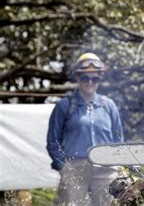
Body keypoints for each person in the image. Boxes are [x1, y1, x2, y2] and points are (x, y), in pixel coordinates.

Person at [47, 52, 124, 205]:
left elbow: (118, 139)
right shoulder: (65, 105)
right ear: (78, 78)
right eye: (85, 78)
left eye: (94, 78)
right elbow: (52, 141)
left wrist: (117, 164)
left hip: (105, 168)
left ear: (99, 79)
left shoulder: (108, 105)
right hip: (74, 168)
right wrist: (63, 167)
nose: (90, 82)